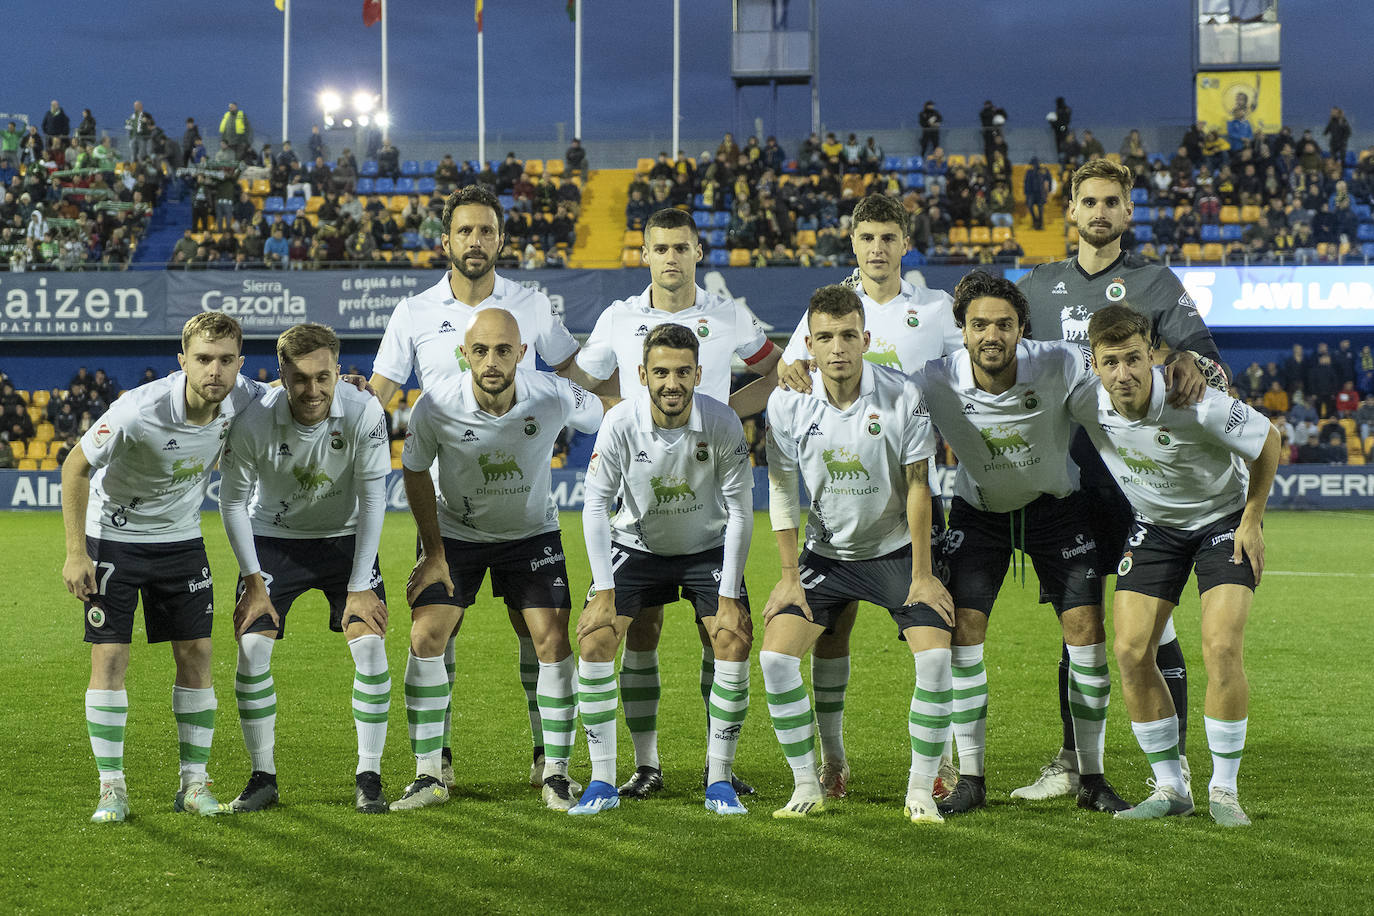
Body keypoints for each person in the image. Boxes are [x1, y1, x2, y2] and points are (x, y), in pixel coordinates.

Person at [1013, 158, 1226, 802]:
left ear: (1128, 213)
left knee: (1155, 627)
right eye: (1089, 202)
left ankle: (1175, 769)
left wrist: (1186, 358)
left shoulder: (1155, 283)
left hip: (1141, 485)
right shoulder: (1036, 287)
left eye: (1113, 202)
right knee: (1078, 624)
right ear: (1070, 212)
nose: (1100, 213)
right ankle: (1074, 761)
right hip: (1064, 484)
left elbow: (1210, 365)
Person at [368, 186, 586, 790]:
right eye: (465, 231)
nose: (476, 241)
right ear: (446, 240)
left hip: (525, 511)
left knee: (537, 632)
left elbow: (578, 378)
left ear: (500, 239)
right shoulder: (413, 312)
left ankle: (549, 758)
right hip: (447, 517)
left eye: (487, 231)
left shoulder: (532, 305)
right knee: (435, 630)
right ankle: (434, 765)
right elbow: (379, 395)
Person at [568, 206, 780, 801]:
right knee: (638, 635)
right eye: (659, 248)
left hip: (709, 499)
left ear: (697, 253)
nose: (670, 257)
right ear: (644, 255)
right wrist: (625, 414)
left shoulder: (727, 315)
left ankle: (721, 770)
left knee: (725, 633)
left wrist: (728, 415)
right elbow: (582, 383)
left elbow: (778, 370)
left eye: (681, 248)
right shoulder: (619, 317)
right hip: (640, 508)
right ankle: (640, 766)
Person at [912, 270, 1129, 817]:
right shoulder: (933, 379)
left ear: (1022, 329)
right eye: (980, 324)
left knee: (1086, 632)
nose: (992, 335)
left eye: (1004, 324)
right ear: (962, 330)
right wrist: (799, 371)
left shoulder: (1057, 362)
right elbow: (875, 394)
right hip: (979, 515)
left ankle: (1092, 776)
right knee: (965, 633)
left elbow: (1115, 402)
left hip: (1056, 511)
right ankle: (971, 777)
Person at [774, 193, 962, 800]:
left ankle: (944, 762)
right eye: (866, 238)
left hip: (907, 504)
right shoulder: (826, 312)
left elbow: (969, 382)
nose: (877, 248)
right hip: (833, 526)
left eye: (888, 237)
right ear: (852, 242)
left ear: (905, 242)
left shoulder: (934, 309)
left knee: (945, 640)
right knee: (829, 637)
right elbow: (787, 375)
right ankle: (829, 765)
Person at [1070, 304, 1279, 826]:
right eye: (1111, 361)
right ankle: (1171, 786)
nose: (1124, 374)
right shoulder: (1083, 401)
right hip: (1156, 526)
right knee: (1130, 651)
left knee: (1222, 646)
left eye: (1134, 359)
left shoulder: (1195, 402)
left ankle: (1225, 791)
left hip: (1221, 521)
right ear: (1093, 364)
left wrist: (1252, 518)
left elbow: (1268, 440)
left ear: (1151, 356)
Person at [394, 308, 603, 811]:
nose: (492, 361)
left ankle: (553, 769)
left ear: (522, 354)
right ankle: (429, 771)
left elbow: (603, 413)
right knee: (426, 635)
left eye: (504, 350)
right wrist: (434, 552)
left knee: (551, 638)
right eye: (481, 350)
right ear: (464, 354)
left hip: (531, 534)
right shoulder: (436, 404)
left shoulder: (551, 393)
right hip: (454, 535)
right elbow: (415, 470)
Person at [60, 312, 265, 823]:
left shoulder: (243, 395)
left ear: (240, 364)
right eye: (202, 360)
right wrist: (75, 552)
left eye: (224, 360)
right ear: (183, 362)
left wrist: (350, 381)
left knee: (196, 653)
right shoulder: (136, 411)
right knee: (109, 661)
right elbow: (74, 466)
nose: (214, 371)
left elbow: (291, 388)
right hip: (116, 542)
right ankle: (112, 788)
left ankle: (194, 785)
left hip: (181, 542)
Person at [569, 324, 754, 816]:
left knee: (732, 638)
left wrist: (731, 595)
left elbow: (739, 510)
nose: (671, 383)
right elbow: (594, 505)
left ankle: (719, 778)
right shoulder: (620, 423)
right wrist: (604, 591)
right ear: (642, 375)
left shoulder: (722, 422)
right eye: (661, 373)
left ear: (698, 374)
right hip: (637, 545)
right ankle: (606, 777)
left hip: (706, 547)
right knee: (595, 639)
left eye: (681, 372)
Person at [217, 323, 392, 815]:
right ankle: (262, 775)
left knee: (372, 647)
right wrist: (253, 583)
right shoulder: (254, 419)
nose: (312, 390)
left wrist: (360, 587)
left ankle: (370, 774)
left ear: (339, 371)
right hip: (274, 540)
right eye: (299, 379)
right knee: (251, 649)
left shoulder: (363, 409)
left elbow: (376, 498)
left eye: (322, 377)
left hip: (347, 540)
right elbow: (231, 504)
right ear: (281, 376)